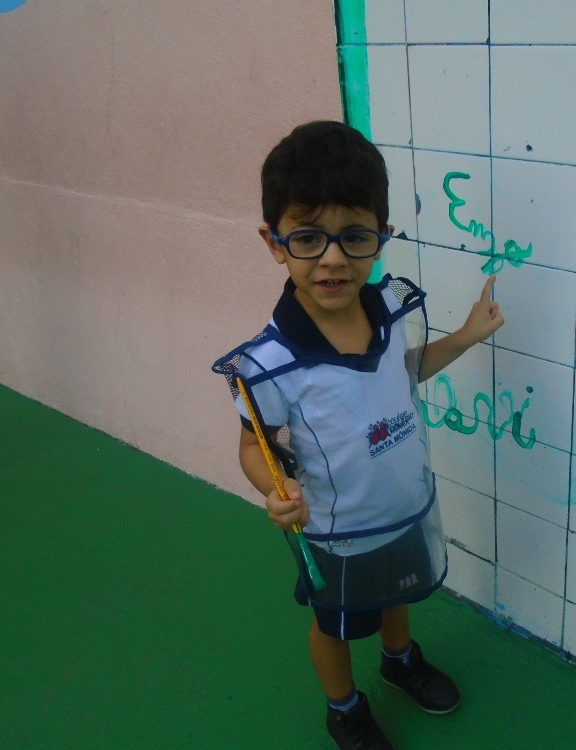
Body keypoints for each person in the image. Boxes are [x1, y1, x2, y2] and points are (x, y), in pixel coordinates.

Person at [212, 120, 503, 749]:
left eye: (355, 235)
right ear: (274, 241)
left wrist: (466, 336)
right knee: (336, 626)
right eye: (308, 237)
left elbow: (405, 373)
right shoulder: (270, 363)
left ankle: (399, 661)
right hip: (338, 535)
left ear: (382, 236)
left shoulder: (390, 309)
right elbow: (253, 446)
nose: (334, 258)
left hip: (402, 507)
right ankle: (343, 708)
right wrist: (275, 489)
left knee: (398, 592)